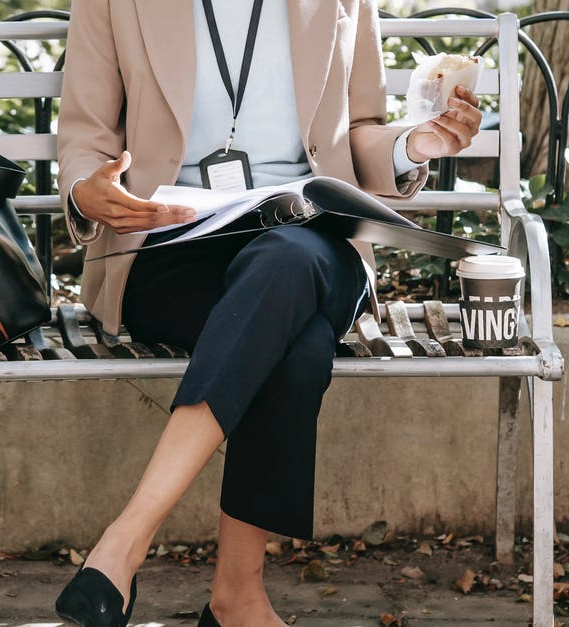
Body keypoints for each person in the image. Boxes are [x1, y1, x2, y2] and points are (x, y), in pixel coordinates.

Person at [53, 1, 483, 626]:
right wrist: (90, 191)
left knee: (284, 262)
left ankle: (123, 544)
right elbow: (86, 133)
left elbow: (359, 129)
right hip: (173, 242)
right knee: (299, 342)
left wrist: (416, 144)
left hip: (311, 237)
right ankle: (235, 600)